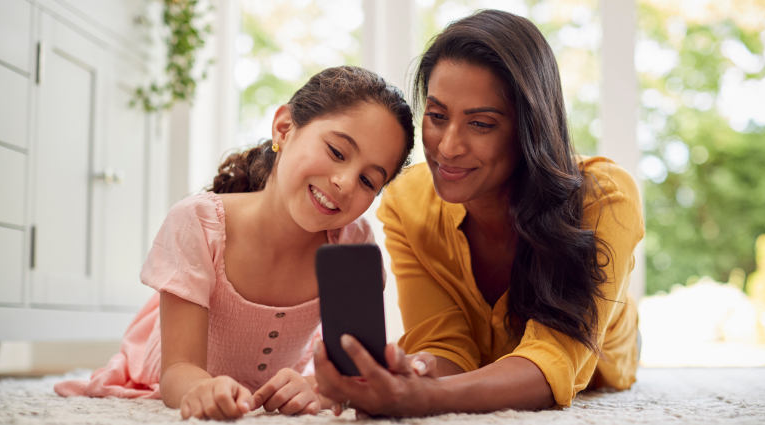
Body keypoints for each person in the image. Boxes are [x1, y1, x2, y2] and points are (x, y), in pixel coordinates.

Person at [312, 10, 644, 416]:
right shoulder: (406, 202)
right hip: (484, 367)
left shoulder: (605, 196)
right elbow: (444, 344)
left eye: (481, 123)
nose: (448, 147)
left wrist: (424, 398)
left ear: (529, 129)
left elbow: (552, 364)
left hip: (603, 363)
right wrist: (416, 371)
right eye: (436, 116)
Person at [54, 66, 415, 420]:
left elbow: (354, 373)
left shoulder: (352, 245)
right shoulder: (197, 222)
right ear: (284, 128)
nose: (346, 183)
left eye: (369, 180)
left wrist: (316, 387)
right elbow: (178, 370)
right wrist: (202, 388)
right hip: (167, 371)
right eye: (337, 152)